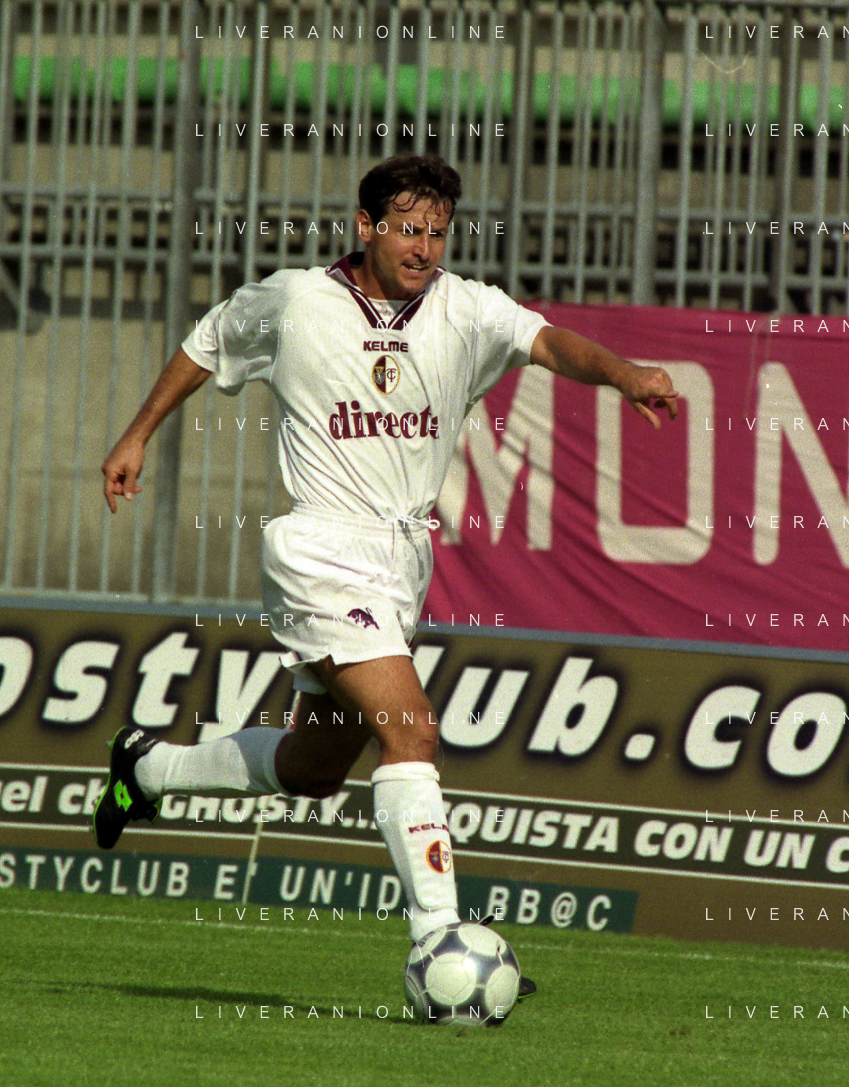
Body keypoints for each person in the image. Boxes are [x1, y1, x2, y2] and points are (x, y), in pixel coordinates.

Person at [95, 155, 677, 974]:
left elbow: (547, 342)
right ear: (366, 227)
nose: (424, 248)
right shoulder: (298, 300)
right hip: (320, 549)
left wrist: (624, 375)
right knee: (411, 730)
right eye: (408, 230)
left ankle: (148, 767)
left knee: (311, 769)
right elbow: (207, 341)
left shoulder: (465, 309)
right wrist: (136, 434)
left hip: (400, 558)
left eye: (437, 232)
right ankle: (440, 941)